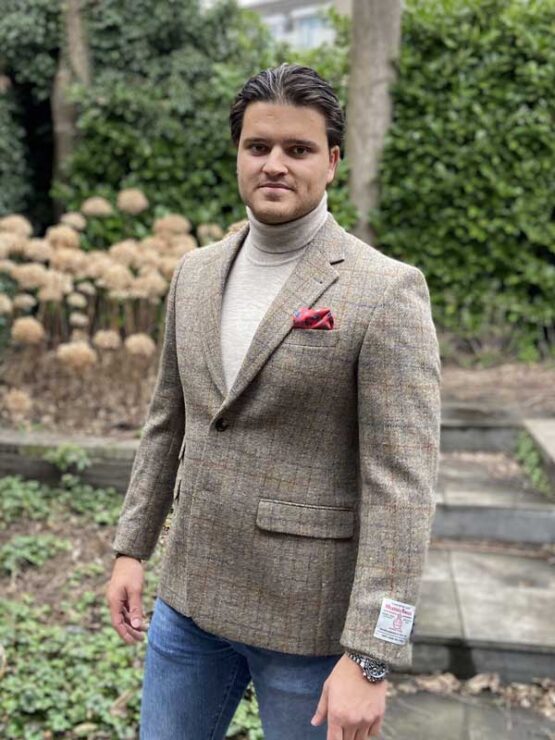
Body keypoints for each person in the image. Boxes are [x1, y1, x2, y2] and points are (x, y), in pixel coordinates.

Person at [106, 63, 441, 740]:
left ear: (332, 160)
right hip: (188, 607)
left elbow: (402, 490)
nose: (275, 164)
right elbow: (167, 422)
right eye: (258, 146)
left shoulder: (384, 291)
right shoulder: (195, 273)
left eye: (298, 148)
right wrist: (130, 548)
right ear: (238, 154)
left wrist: (371, 657)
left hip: (307, 629)